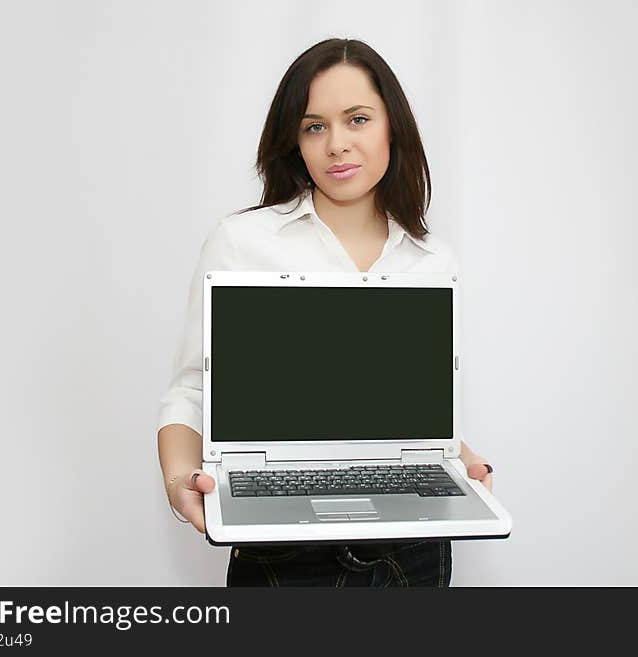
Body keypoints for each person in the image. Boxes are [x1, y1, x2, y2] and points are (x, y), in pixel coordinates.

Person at [157, 38, 494, 587]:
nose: (336, 144)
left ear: (393, 128)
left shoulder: (432, 260)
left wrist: (456, 458)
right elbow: (193, 390)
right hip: (280, 550)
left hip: (412, 554)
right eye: (314, 126)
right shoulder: (242, 242)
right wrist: (178, 480)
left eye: (357, 119)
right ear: (295, 140)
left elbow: (401, 413)